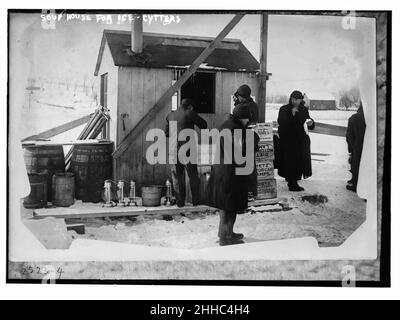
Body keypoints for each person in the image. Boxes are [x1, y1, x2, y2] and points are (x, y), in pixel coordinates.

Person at [207, 104, 259, 246]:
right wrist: (253, 138)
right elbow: (239, 152)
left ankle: (228, 232)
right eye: (247, 118)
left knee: (229, 205)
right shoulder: (235, 128)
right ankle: (225, 237)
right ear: (242, 117)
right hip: (230, 174)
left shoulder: (227, 125)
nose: (248, 121)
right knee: (228, 206)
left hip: (223, 171)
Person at [165, 98, 208, 207]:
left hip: (174, 150)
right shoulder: (189, 113)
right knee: (193, 176)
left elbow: (167, 133)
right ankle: (196, 202)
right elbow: (204, 125)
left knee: (178, 177)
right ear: (190, 106)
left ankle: (180, 202)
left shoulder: (170, 115)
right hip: (188, 150)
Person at [277, 90, 315, 191]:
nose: (295, 101)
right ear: (290, 98)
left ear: (301, 100)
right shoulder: (284, 109)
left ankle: (292, 179)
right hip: (288, 141)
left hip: (300, 141)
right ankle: (292, 184)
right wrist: (292, 115)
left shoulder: (304, 109)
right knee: (290, 162)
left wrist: (311, 123)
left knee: (298, 162)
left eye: (297, 100)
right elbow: (281, 123)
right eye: (293, 99)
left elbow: (307, 121)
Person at [233, 84, 259, 197]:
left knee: (244, 165)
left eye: (238, 96)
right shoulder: (253, 105)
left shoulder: (244, 106)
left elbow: (237, 116)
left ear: (242, 96)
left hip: (244, 136)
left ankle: (247, 191)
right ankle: (251, 191)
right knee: (249, 165)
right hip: (250, 136)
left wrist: (237, 104)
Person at [346, 102, 366, 192]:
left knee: (356, 164)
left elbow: (349, 136)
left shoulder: (354, 118)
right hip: (369, 146)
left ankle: (356, 184)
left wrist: (351, 149)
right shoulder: (373, 116)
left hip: (357, 146)